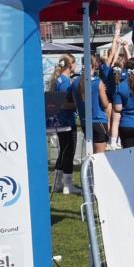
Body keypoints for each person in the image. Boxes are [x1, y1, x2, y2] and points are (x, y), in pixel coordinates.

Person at [48, 54, 78, 194]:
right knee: (68, 152)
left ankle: (58, 183)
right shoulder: (65, 82)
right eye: (75, 63)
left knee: (64, 151)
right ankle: (67, 184)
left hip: (60, 121)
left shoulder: (58, 79)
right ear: (70, 65)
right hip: (66, 121)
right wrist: (79, 104)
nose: (76, 65)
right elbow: (64, 104)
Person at [72, 55, 111, 154]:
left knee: (91, 154)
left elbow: (76, 103)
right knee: (99, 154)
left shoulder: (75, 82)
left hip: (84, 122)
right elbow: (105, 104)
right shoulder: (98, 82)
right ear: (94, 66)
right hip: (98, 121)